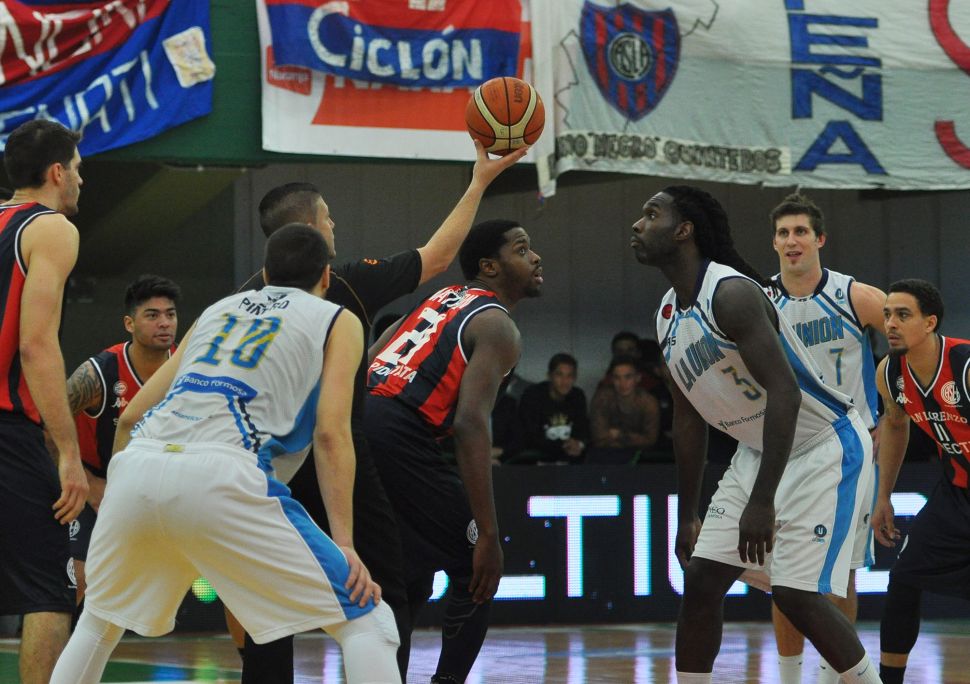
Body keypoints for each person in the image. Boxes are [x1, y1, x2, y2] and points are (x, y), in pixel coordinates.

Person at [50, 224, 400, 684]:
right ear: (326, 277)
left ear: (265, 273)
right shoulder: (338, 319)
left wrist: (119, 496)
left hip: (139, 464)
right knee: (369, 620)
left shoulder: (216, 311)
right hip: (225, 472)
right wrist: (346, 544)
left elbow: (132, 415)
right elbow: (332, 434)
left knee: (98, 623)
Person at [239, 140, 528, 682]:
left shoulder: (238, 302)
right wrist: (479, 181)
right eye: (327, 217)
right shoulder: (344, 283)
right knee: (398, 582)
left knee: (278, 592)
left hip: (258, 456)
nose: (334, 225)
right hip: (339, 440)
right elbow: (436, 257)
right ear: (310, 230)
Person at [630, 185, 879, 684]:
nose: (638, 224)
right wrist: (688, 513)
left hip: (823, 445)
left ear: (684, 231)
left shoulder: (731, 294)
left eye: (652, 214)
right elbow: (687, 418)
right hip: (760, 449)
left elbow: (785, 394)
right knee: (702, 579)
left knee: (795, 593)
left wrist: (762, 501)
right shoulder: (667, 315)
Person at [365, 219, 542, 683]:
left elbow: (368, 363)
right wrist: (488, 532)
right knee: (476, 567)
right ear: (489, 267)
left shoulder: (436, 299)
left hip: (359, 423)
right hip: (398, 432)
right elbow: (469, 424)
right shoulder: (497, 325)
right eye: (522, 249)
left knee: (405, 575)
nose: (535, 257)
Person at [765, 192, 887, 684]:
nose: (791, 241)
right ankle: (789, 678)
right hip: (787, 450)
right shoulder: (759, 299)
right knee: (784, 575)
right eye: (783, 233)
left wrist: (891, 408)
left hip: (849, 450)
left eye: (800, 231)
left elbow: (910, 340)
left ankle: (833, 676)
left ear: (820, 239)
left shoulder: (855, 296)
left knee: (842, 571)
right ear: (774, 243)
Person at [0, 119, 89, 684]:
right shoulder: (50, 227)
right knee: (48, 592)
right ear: (57, 172)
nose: (81, 179)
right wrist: (68, 453)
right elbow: (35, 345)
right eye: (77, 169)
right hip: (9, 432)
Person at [871, 279, 970, 684]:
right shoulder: (890, 372)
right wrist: (883, 497)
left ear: (930, 323)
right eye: (887, 315)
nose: (891, 324)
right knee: (904, 578)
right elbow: (895, 425)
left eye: (903, 315)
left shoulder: (964, 365)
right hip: (956, 493)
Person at [65, 275, 180, 606]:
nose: (164, 323)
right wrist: (87, 482)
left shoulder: (189, 368)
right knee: (78, 578)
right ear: (129, 323)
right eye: (152, 315)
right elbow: (47, 424)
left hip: (159, 488)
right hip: (96, 487)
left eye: (170, 314)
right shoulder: (98, 374)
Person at [587, 355, 660, 463]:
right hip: (605, 455)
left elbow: (650, 440)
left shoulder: (648, 402)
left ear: (638, 378)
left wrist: (619, 434)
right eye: (617, 378)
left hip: (640, 457)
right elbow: (599, 438)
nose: (622, 383)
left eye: (628, 377)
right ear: (612, 379)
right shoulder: (602, 399)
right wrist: (635, 438)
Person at [518, 352, 589, 463]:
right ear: (549, 376)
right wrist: (563, 445)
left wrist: (579, 444)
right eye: (559, 375)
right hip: (537, 459)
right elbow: (529, 436)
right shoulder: (533, 396)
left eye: (569, 376)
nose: (565, 381)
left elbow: (583, 430)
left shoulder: (577, 396)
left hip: (568, 458)